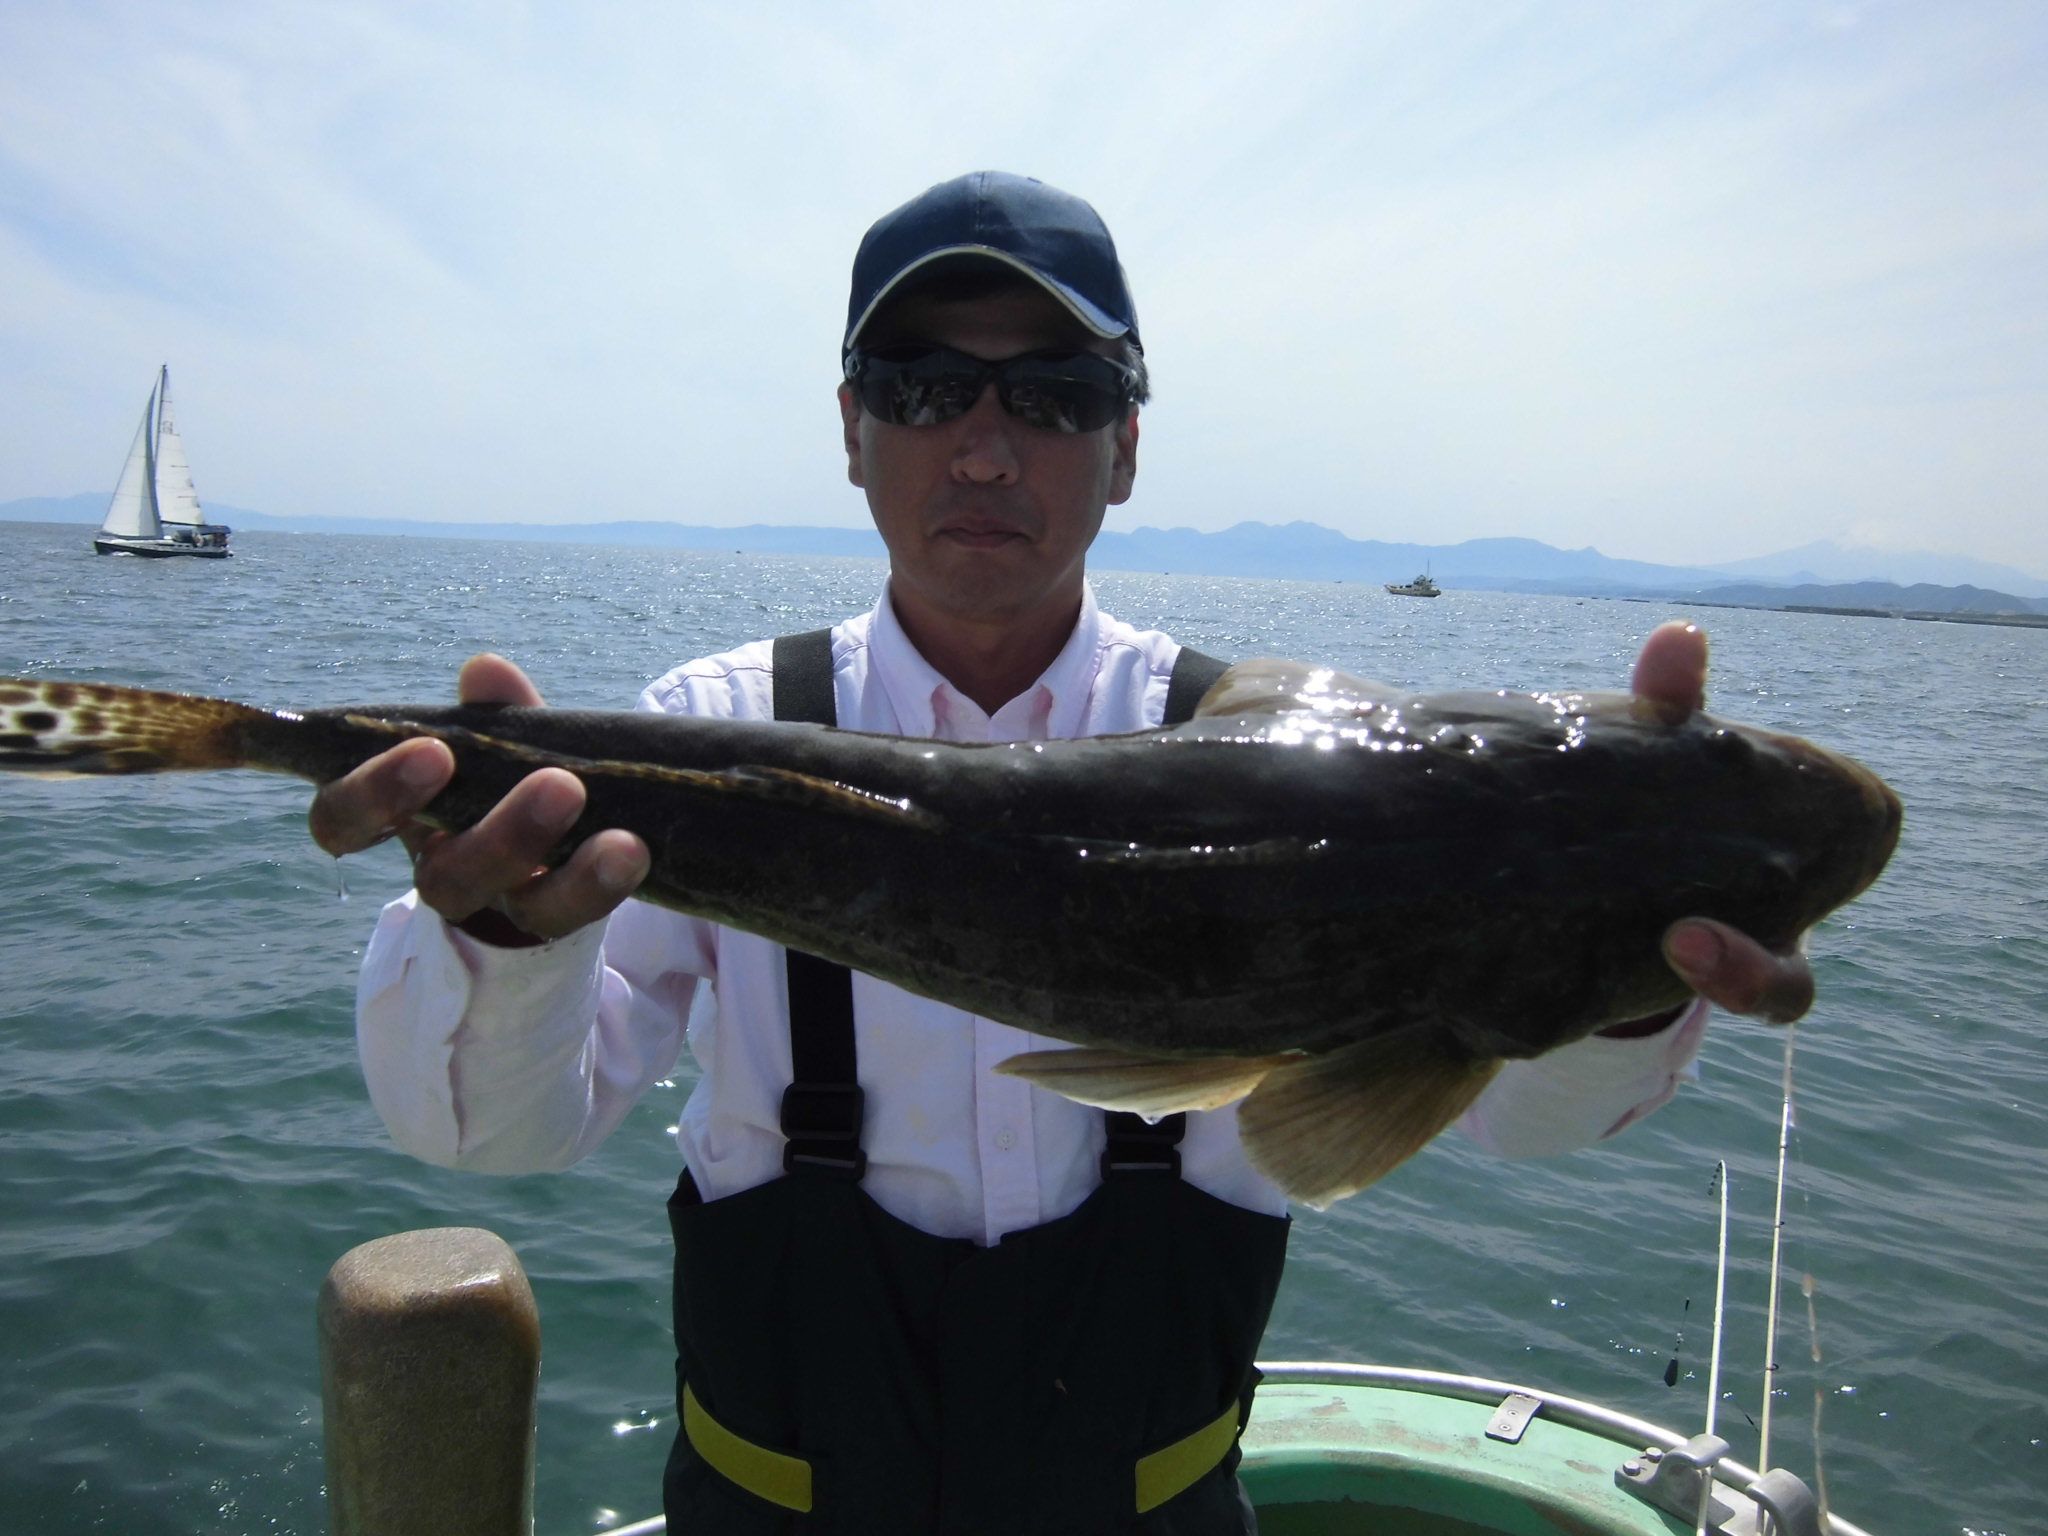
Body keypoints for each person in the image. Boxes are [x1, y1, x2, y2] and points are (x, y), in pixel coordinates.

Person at [310, 171, 1813, 1535]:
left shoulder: (1300, 755)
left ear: (1125, 447)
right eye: (921, 389)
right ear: (852, 434)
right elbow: (486, 1139)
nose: (983, 448)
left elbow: (1523, 1125)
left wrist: (1623, 968)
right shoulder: (709, 729)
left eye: (1053, 394)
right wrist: (503, 938)